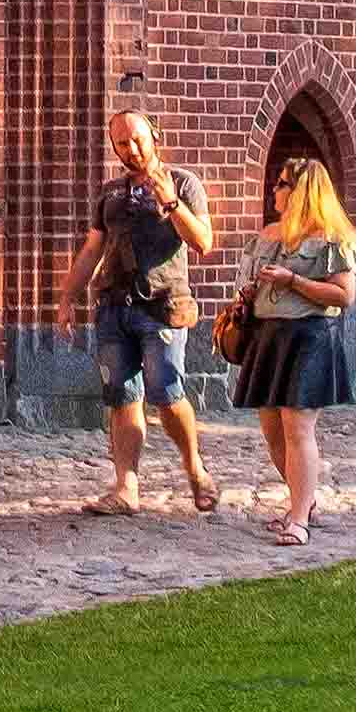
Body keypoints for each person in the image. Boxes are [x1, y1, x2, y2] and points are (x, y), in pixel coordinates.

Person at [61, 104, 222, 514]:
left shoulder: (184, 184)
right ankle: (126, 488)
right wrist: (67, 297)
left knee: (167, 395)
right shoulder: (110, 194)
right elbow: (92, 249)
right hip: (114, 307)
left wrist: (170, 203)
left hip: (162, 307)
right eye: (121, 143)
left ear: (154, 136)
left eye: (137, 139)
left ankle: (195, 469)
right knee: (122, 398)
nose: (131, 148)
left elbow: (203, 242)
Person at [226, 152, 356, 545]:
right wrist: (248, 297)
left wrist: (293, 282)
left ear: (300, 190)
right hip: (268, 337)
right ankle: (303, 501)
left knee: (297, 429)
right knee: (272, 430)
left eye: (282, 183)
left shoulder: (331, 239)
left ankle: (299, 519)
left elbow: (343, 295)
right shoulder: (268, 235)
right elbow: (251, 284)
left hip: (308, 338)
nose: (275, 189)